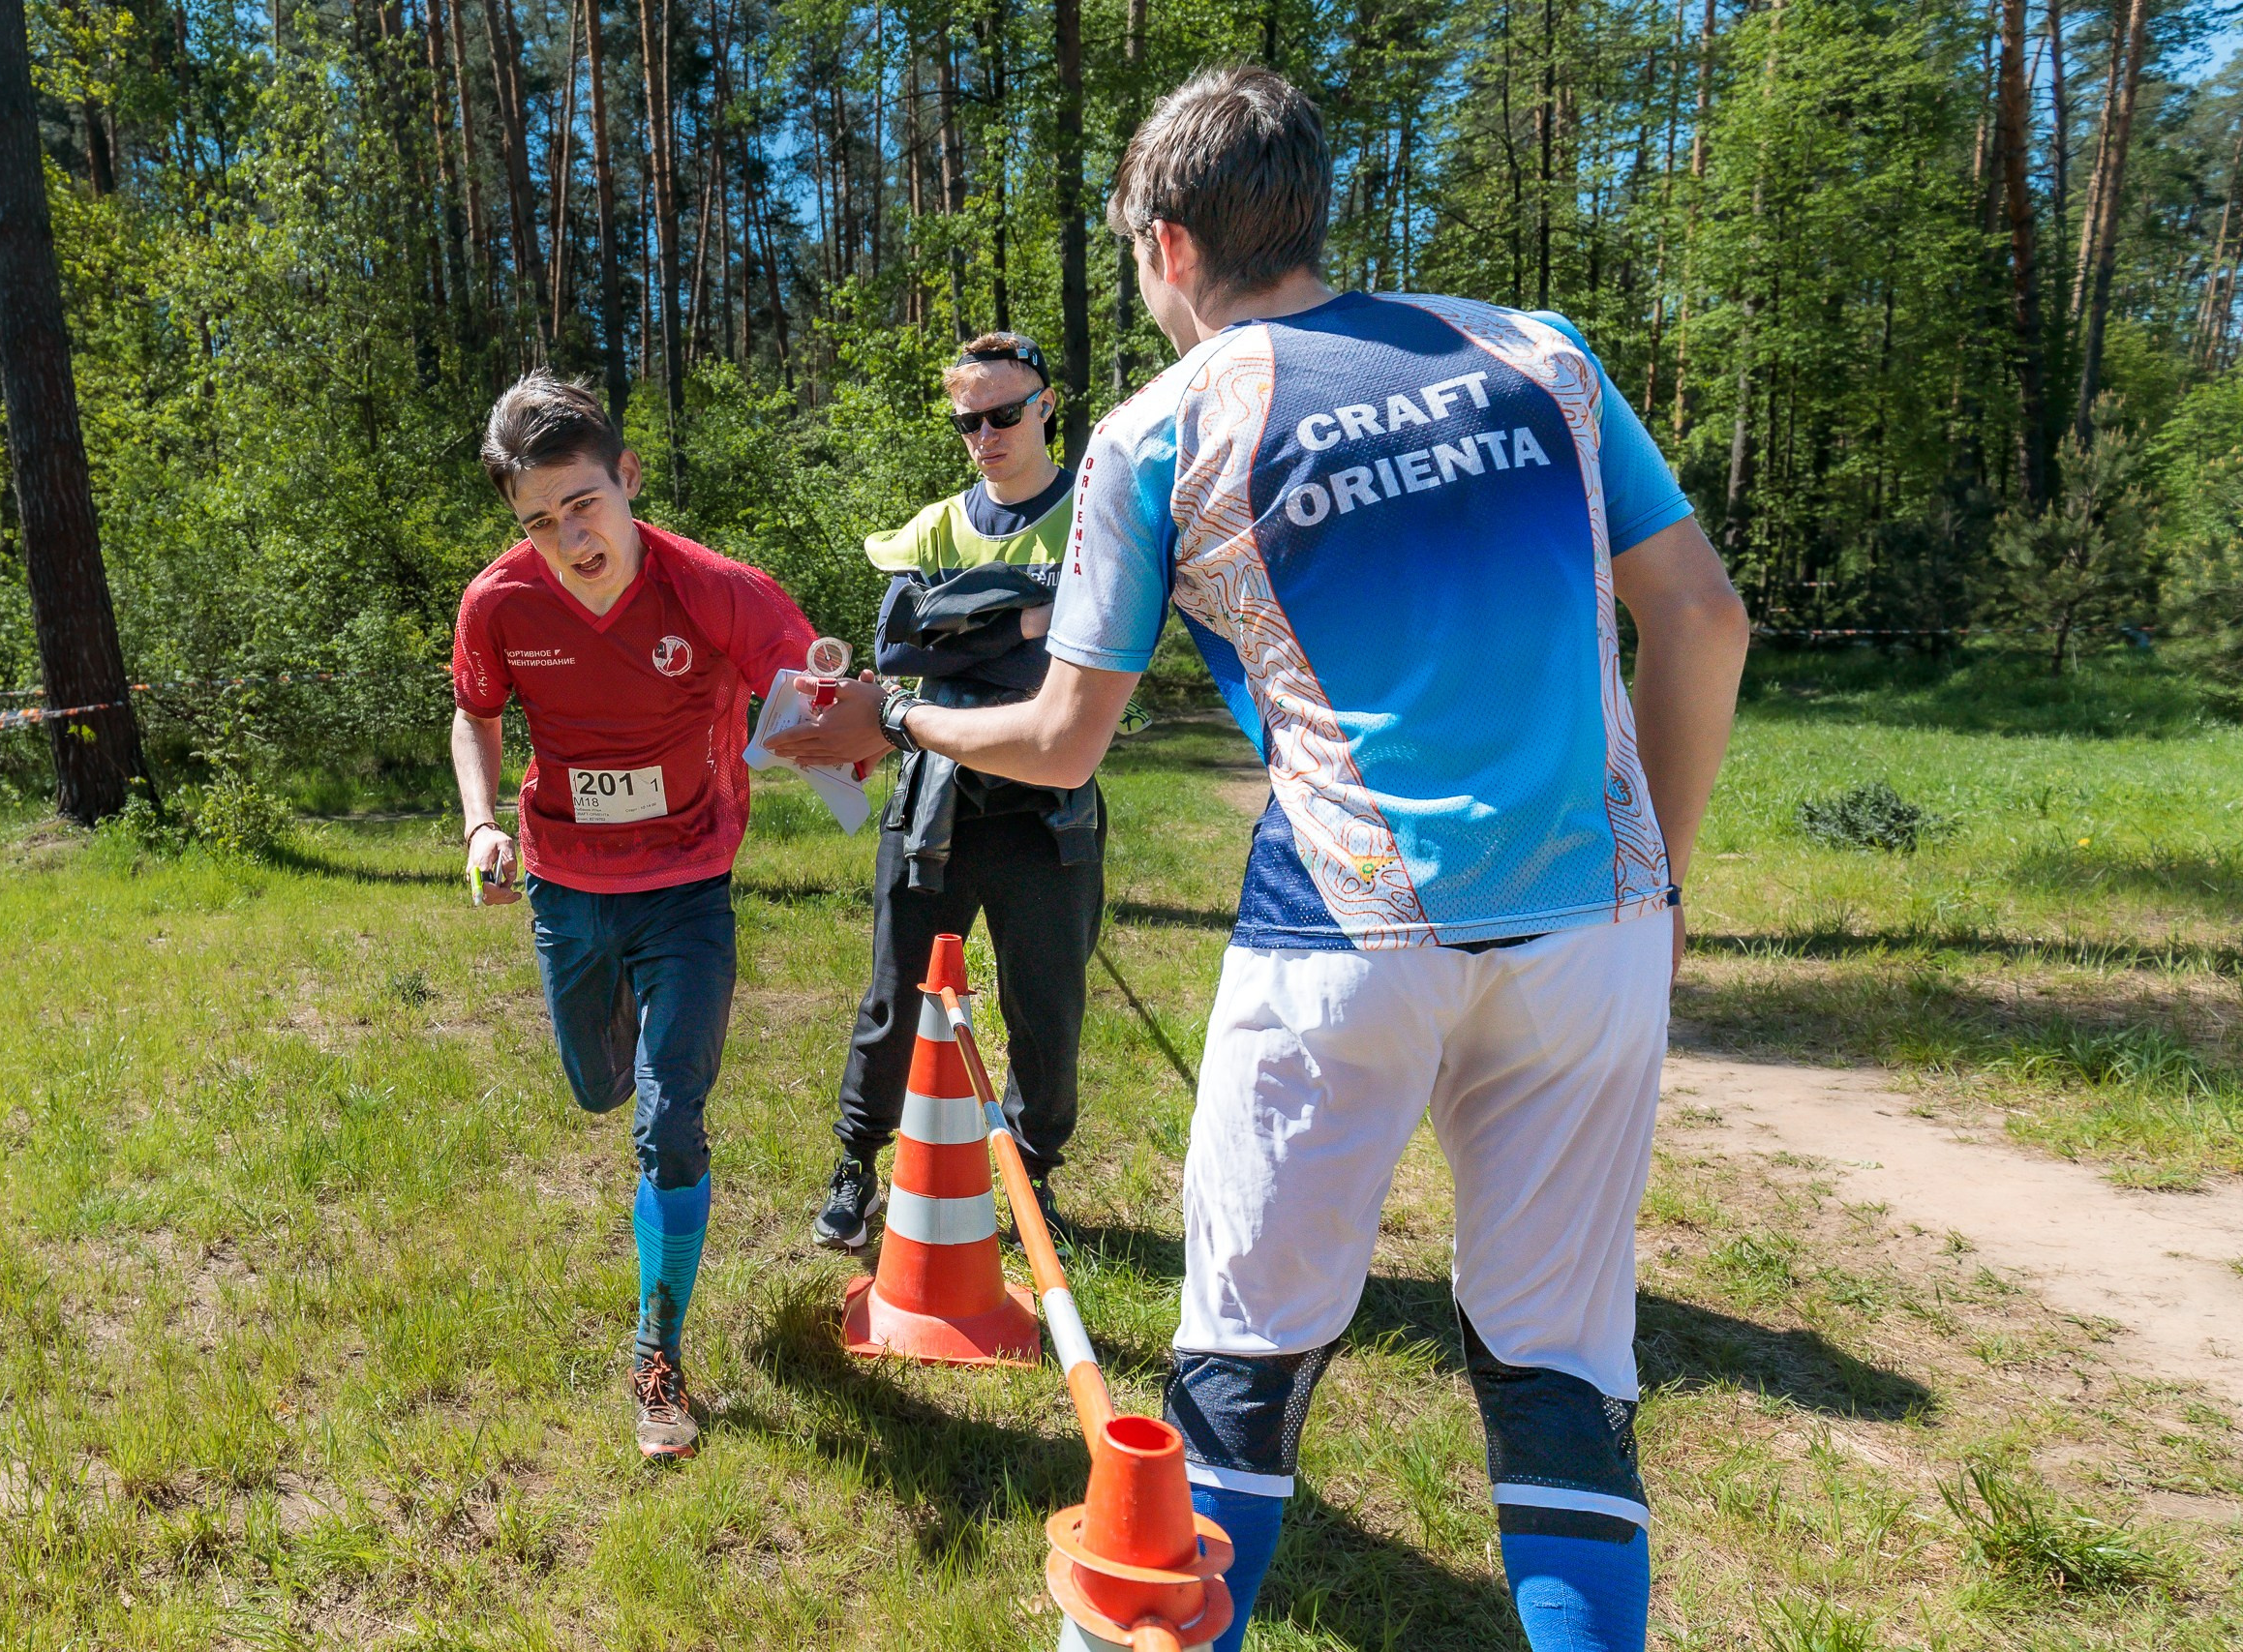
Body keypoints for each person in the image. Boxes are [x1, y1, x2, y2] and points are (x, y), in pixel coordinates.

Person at [770, 66, 1749, 1652]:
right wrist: (1666, 887)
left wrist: (895, 714)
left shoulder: (1162, 429)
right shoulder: (1540, 355)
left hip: (1343, 936)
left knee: (1241, 1360)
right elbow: (1703, 618)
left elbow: (1063, 739)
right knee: (1564, 1365)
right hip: (1596, 926)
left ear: (1164, 247)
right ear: (1310, 214)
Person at [452, 373, 816, 1461]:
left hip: (689, 882)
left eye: (583, 504)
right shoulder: (498, 602)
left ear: (627, 479)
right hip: (568, 885)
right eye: (538, 520)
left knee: (667, 1117)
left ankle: (657, 1356)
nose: (568, 537)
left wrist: (835, 716)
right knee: (597, 1085)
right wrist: (479, 825)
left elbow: (805, 685)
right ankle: (633, 1086)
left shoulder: (713, 588)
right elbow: (474, 714)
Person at [812, 332, 1104, 1254]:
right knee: (895, 999)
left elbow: (1088, 648)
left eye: (1004, 413)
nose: (985, 434)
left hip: (1048, 811)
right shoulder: (936, 523)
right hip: (934, 801)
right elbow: (898, 646)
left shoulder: (1096, 516)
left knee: (1045, 1009)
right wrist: (1025, 613)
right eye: (969, 420)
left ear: (1047, 405)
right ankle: (858, 1166)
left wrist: (958, 624)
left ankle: (1031, 1177)